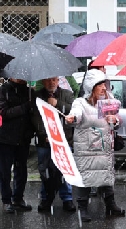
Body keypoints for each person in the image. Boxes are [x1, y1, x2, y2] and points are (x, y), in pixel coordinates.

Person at [65, 69, 126, 222]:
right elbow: (76, 113)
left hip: (104, 149)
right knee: (85, 178)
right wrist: (73, 117)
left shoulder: (108, 102)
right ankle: (83, 208)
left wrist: (115, 120)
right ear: (91, 87)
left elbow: (117, 121)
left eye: (105, 85)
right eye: (100, 85)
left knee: (105, 177)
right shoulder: (80, 102)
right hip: (87, 150)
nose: (104, 88)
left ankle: (111, 205)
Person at [31, 76, 76, 213]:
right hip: (44, 142)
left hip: (64, 141)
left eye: (54, 80)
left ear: (58, 81)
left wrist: (58, 103)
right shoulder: (37, 97)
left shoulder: (67, 95)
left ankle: (67, 199)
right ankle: (46, 198)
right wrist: (45, 135)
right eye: (48, 80)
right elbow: (35, 117)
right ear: (43, 81)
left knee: (64, 170)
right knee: (45, 171)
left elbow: (72, 112)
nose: (51, 83)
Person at [0, 77, 34, 213]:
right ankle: (6, 200)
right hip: (6, 137)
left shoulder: (28, 92)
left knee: (21, 169)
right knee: (5, 171)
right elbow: (4, 113)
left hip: (23, 137)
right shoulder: (4, 90)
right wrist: (25, 107)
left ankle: (18, 198)